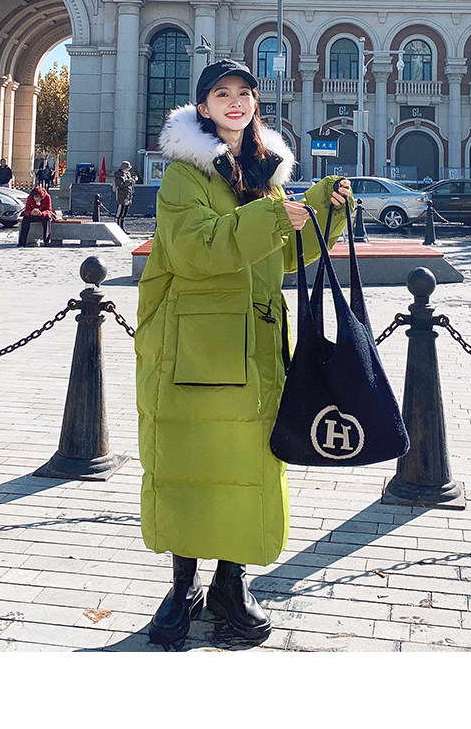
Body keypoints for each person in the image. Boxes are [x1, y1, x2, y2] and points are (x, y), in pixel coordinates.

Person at [135, 59, 353, 647]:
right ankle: (182, 586)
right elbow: (194, 250)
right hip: (194, 348)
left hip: (256, 348)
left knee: (248, 468)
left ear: (255, 103)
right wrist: (270, 215)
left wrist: (325, 210)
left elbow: (278, 257)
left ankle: (230, 584)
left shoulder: (265, 173)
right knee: (190, 463)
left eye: (244, 93)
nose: (235, 102)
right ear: (203, 107)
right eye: (221, 94)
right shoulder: (184, 174)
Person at [113, 160, 137, 231]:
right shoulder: (118, 175)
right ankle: (117, 229)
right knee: (119, 213)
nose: (129, 169)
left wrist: (133, 180)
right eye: (128, 168)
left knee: (124, 214)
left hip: (128, 196)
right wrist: (129, 181)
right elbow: (120, 185)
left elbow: (129, 185)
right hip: (121, 197)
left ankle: (122, 228)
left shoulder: (128, 174)